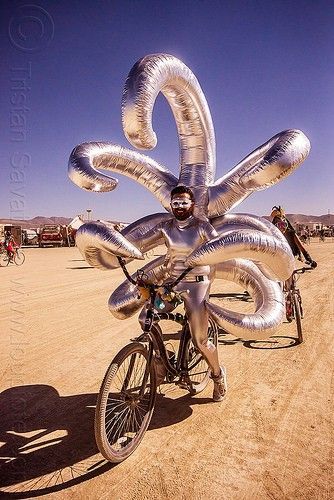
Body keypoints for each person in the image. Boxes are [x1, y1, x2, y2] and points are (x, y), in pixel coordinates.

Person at [136, 185, 227, 402]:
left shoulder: (202, 226)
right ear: (171, 205)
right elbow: (142, 241)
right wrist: (121, 250)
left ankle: (217, 375)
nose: (179, 207)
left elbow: (219, 245)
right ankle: (163, 359)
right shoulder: (166, 227)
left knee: (200, 341)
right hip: (172, 285)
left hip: (197, 285)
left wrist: (203, 258)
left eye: (183, 203)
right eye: (175, 203)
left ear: (192, 205)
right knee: (145, 317)